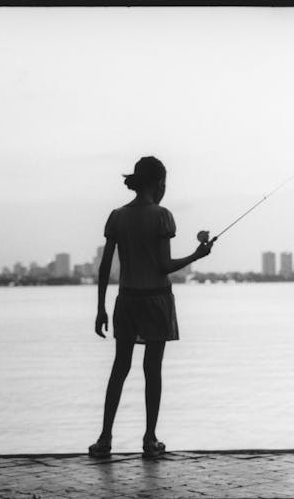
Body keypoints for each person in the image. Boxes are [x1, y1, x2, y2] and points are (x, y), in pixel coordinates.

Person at [89, 156, 213, 459]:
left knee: (119, 369)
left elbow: (106, 267)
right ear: (159, 183)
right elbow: (163, 266)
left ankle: (104, 438)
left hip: (127, 299)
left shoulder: (116, 216)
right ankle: (150, 438)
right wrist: (197, 255)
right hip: (156, 299)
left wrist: (100, 307)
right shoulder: (162, 217)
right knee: (152, 371)